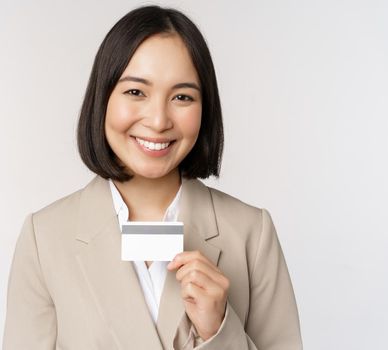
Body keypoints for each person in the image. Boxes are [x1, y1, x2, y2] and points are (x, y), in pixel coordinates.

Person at [3, 5, 302, 350]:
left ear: (205, 110)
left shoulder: (252, 233)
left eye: (182, 97)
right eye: (135, 92)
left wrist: (218, 330)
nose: (159, 120)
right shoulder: (45, 238)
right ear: (103, 99)